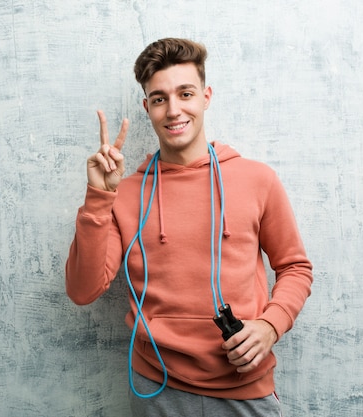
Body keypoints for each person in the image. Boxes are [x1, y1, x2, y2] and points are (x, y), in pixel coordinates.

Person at [65, 38, 313, 416]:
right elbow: (83, 290)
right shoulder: (126, 193)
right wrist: (99, 196)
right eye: (160, 98)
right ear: (147, 107)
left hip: (244, 386)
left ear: (206, 96)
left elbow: (295, 267)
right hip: (156, 388)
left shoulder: (257, 179)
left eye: (185, 93)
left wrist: (270, 326)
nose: (174, 109)